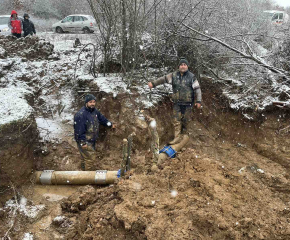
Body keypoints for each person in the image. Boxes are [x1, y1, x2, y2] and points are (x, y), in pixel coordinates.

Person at [148, 57, 202, 144]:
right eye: (181, 65)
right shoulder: (173, 75)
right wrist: (153, 84)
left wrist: (198, 101)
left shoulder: (192, 77)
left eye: (184, 65)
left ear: (187, 66)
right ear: (179, 66)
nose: (183, 66)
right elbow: (163, 79)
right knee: (176, 120)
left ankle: (184, 137)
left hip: (188, 103)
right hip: (177, 102)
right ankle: (177, 138)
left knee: (185, 120)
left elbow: (198, 89)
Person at [74, 94, 115, 170]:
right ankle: (89, 178)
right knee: (90, 160)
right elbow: (79, 130)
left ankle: (83, 175)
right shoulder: (81, 115)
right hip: (85, 141)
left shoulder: (94, 111)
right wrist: (82, 142)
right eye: (90, 102)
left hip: (91, 140)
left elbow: (102, 119)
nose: (92, 104)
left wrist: (110, 124)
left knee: (85, 159)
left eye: (94, 102)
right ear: (86, 102)